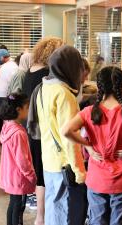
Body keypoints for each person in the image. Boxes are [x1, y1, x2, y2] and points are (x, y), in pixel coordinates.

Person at [63, 66, 122, 225]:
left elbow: (66, 130)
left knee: (97, 220)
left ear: (99, 86)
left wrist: (88, 146)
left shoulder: (89, 112)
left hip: (97, 178)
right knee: (119, 221)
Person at [36, 45, 87, 225]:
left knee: (53, 212)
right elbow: (69, 138)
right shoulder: (65, 94)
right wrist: (80, 172)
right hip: (64, 165)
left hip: (48, 160)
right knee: (65, 215)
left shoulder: (44, 88)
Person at [22, 37, 63, 225]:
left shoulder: (29, 71)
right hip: (44, 128)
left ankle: (41, 216)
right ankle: (42, 216)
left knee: (39, 171)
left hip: (32, 126)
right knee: (47, 172)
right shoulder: (47, 74)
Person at [0, 93, 36, 225]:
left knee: (13, 204)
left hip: (9, 175)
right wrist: (31, 176)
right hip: (18, 177)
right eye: (27, 107)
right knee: (18, 207)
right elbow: (22, 160)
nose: (28, 110)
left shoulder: (7, 126)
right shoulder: (19, 133)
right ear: (18, 110)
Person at [0, 56, 19, 144]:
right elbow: (13, 84)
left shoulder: (7, 64)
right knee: (7, 115)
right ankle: (3, 138)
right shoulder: (15, 68)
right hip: (2, 94)